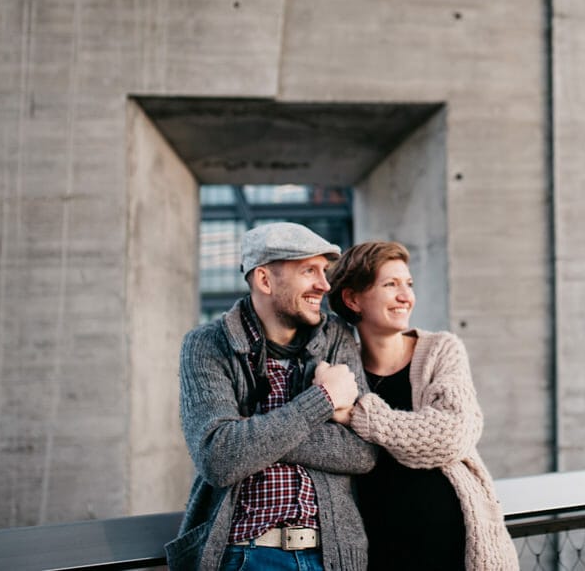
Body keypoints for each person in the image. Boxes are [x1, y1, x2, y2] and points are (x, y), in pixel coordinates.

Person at [167, 222, 377, 571]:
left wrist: (253, 433)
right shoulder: (207, 344)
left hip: (333, 555)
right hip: (244, 554)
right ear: (265, 280)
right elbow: (219, 458)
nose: (324, 285)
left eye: (324, 271)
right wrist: (322, 400)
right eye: (309, 270)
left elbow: (364, 451)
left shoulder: (336, 336)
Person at [326, 241, 519, 571]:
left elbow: (453, 433)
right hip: (378, 551)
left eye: (409, 284)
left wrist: (362, 417)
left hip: (455, 548)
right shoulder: (340, 371)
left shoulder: (440, 350)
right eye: (391, 284)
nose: (406, 296)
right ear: (353, 298)